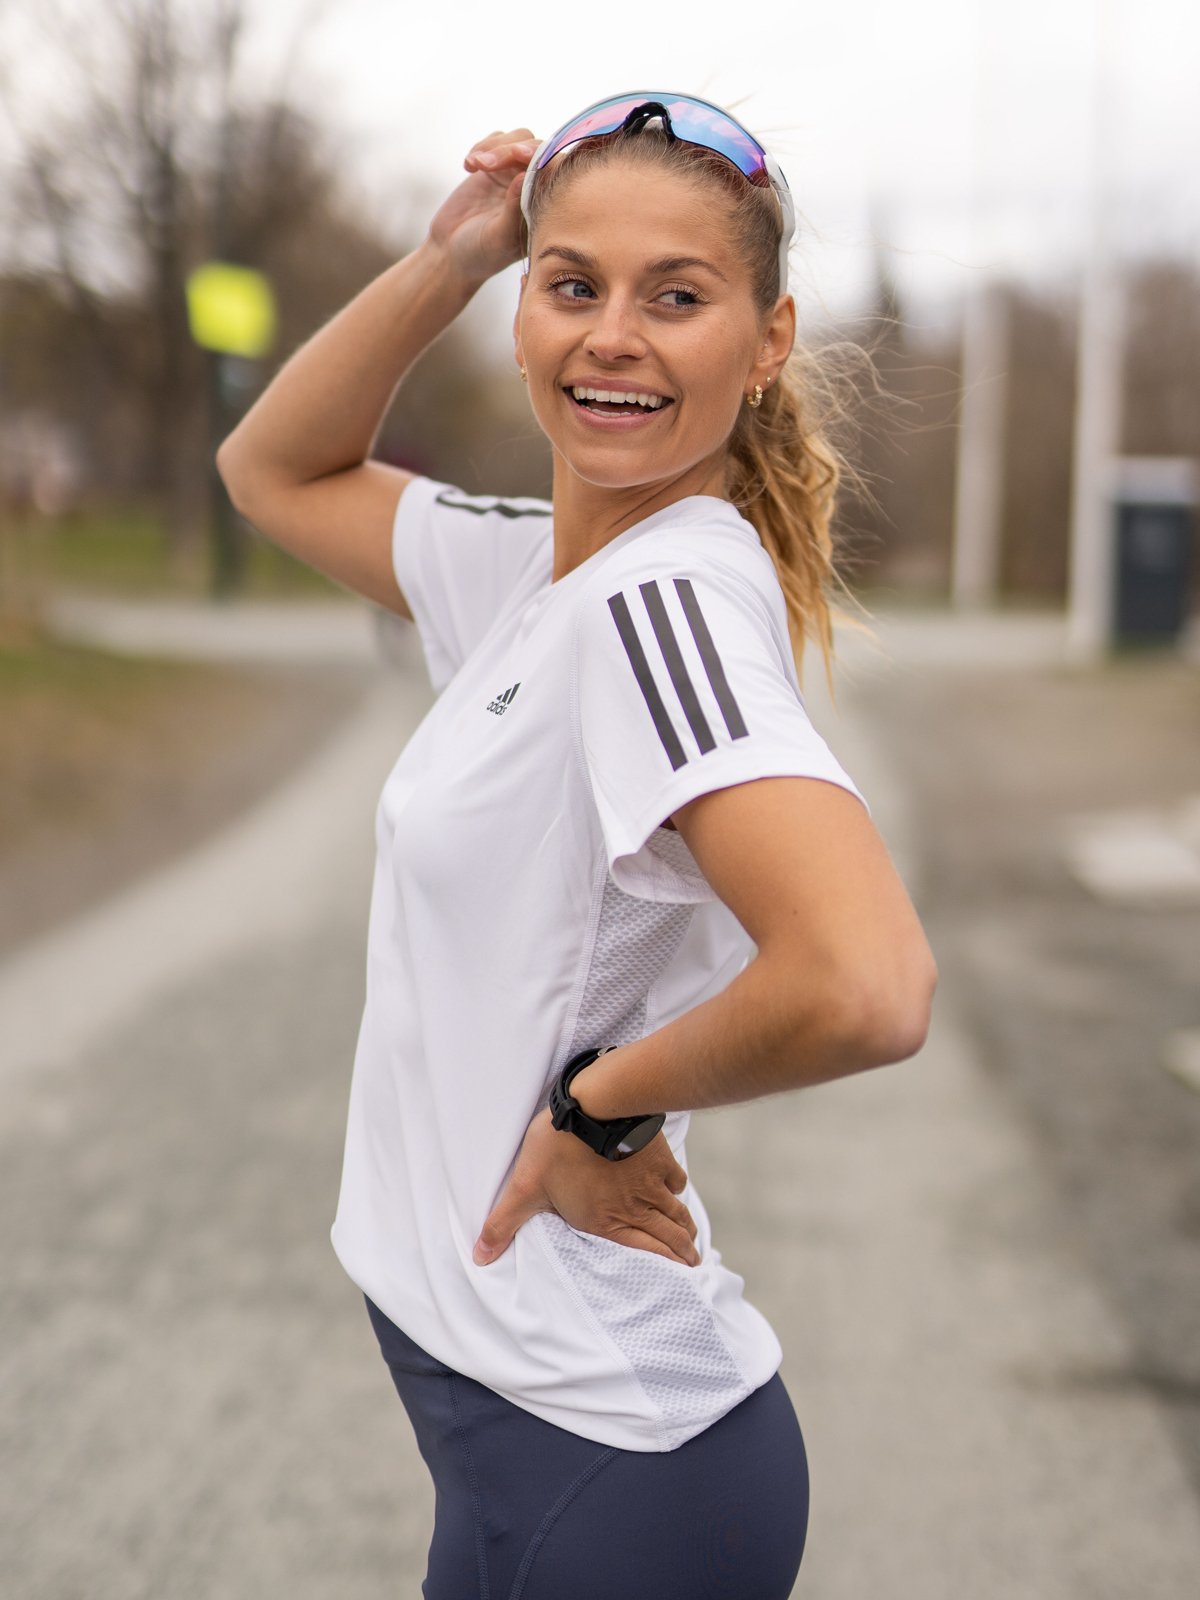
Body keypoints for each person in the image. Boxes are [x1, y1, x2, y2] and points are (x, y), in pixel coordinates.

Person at [217, 91, 937, 1600]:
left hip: (609, 1466)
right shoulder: (537, 573)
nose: (614, 333)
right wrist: (450, 259)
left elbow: (867, 981)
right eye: (573, 284)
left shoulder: (656, 607)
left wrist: (600, 1110)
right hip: (511, 1440)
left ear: (768, 339)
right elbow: (270, 472)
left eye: (677, 295)